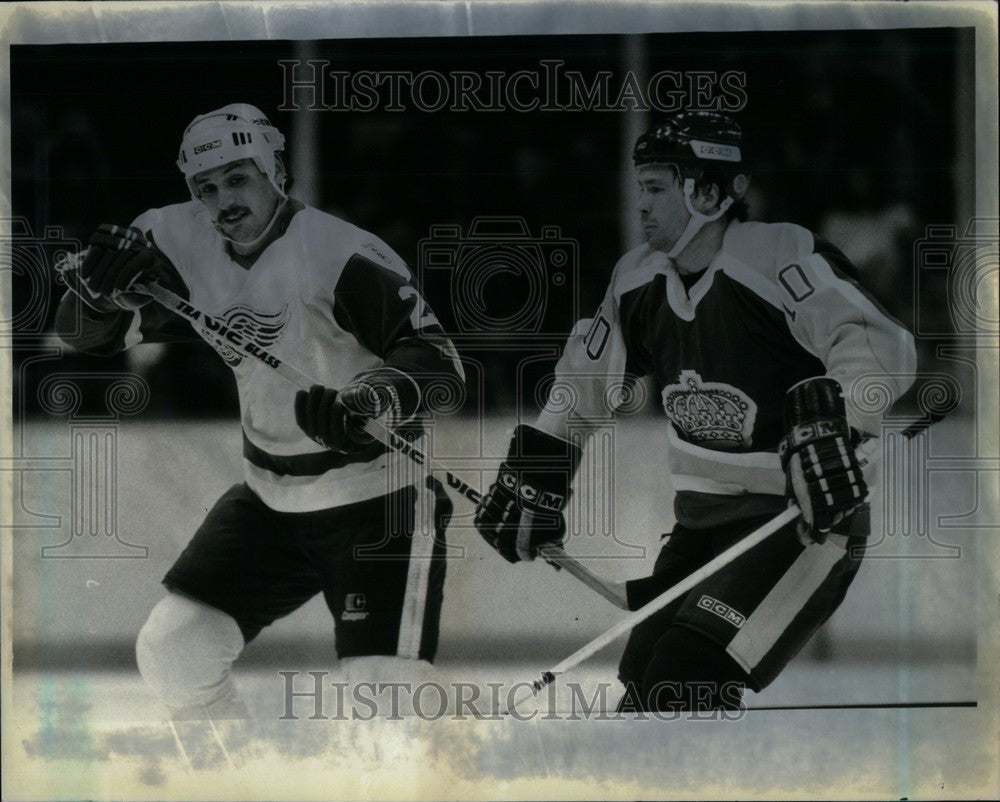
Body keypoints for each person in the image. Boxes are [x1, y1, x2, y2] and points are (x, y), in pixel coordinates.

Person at [474, 111, 916, 712]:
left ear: (709, 193)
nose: (643, 206)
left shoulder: (777, 255)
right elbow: (583, 382)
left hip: (800, 527)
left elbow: (882, 348)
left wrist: (841, 419)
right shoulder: (637, 280)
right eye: (642, 189)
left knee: (681, 679)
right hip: (699, 531)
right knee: (644, 688)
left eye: (657, 189)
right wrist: (540, 467)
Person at [55, 103, 464, 719]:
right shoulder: (174, 238)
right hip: (269, 501)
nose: (223, 200)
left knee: (384, 709)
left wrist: (373, 399)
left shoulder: (339, 254)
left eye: (238, 178)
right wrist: (92, 292)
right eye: (206, 187)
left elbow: (441, 365)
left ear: (276, 171)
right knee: (174, 651)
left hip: (379, 504)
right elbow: (88, 337)